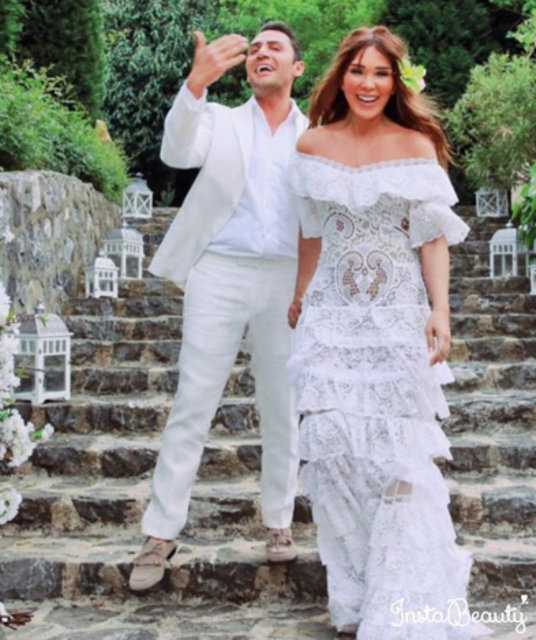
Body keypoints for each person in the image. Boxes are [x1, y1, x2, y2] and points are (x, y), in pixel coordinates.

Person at [286, 26, 488, 638]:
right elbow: (311, 230)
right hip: (330, 315)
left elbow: (431, 236)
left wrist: (440, 311)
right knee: (333, 449)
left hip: (397, 314)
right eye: (358, 71)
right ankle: (356, 591)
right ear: (341, 77)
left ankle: (402, 599)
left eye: (380, 73)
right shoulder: (312, 144)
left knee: (399, 459)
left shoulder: (416, 145)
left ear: (396, 82)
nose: (368, 84)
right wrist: (299, 293)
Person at [129, 21, 307, 592]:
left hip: (285, 278)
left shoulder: (316, 134)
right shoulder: (221, 120)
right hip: (219, 271)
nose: (260, 53)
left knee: (283, 405)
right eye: (254, 49)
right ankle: (160, 533)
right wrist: (196, 84)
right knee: (193, 400)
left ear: (297, 67)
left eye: (274, 47)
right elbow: (177, 151)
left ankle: (278, 521)